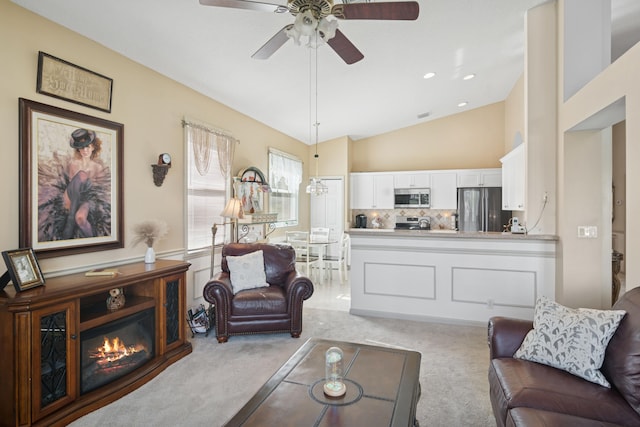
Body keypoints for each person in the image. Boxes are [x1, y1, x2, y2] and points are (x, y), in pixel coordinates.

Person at [62, 128, 106, 239]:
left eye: (88, 146)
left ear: (93, 147)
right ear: (78, 149)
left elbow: (98, 189)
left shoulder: (98, 167)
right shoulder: (73, 164)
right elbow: (72, 186)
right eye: (81, 147)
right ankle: (71, 217)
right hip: (71, 196)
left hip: (86, 198)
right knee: (81, 175)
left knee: (80, 218)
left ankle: (94, 243)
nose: (85, 150)